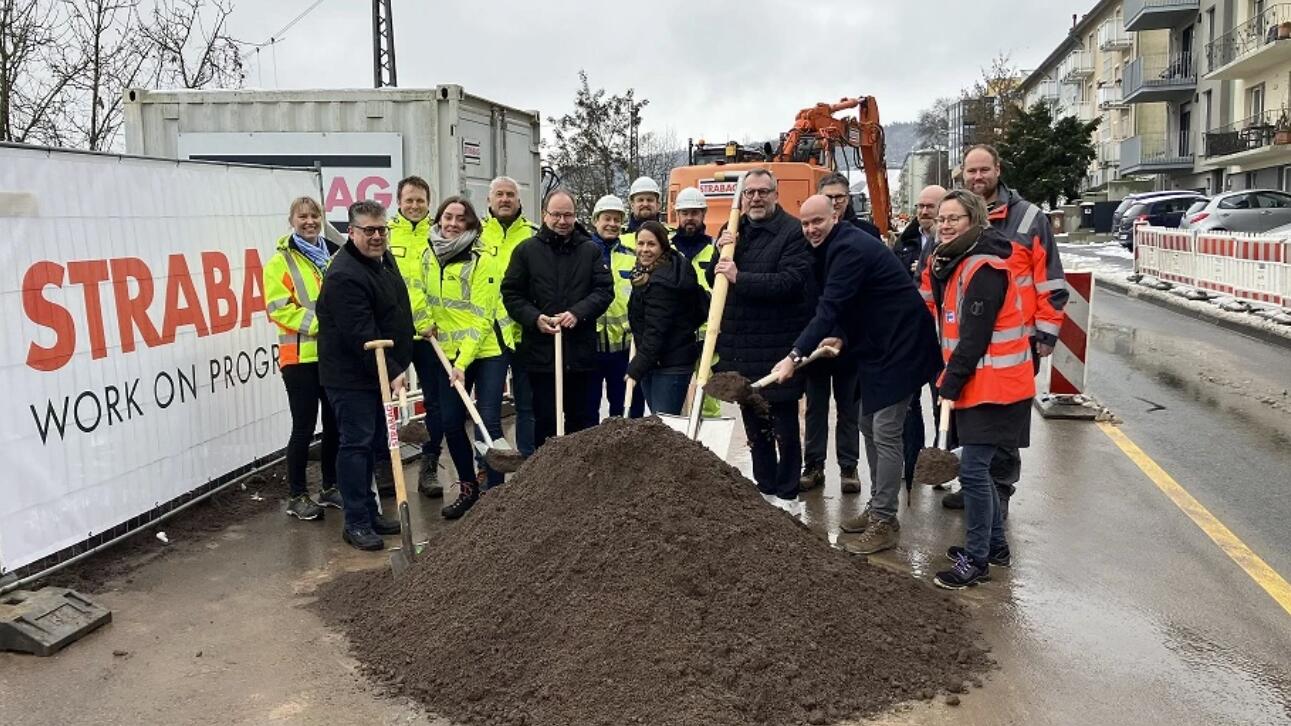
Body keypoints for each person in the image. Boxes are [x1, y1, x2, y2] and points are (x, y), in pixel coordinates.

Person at [773, 195, 941, 555]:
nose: (811, 229)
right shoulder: (833, 246)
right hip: (878, 344)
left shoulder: (848, 248)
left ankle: (885, 520)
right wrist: (842, 336)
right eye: (805, 224)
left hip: (903, 344)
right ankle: (880, 504)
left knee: (886, 429)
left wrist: (795, 354)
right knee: (867, 423)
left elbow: (831, 306)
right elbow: (858, 302)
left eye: (817, 221)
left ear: (834, 216)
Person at [941, 145, 1067, 516]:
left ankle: (999, 494)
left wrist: (1046, 332)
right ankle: (975, 487)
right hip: (969, 343)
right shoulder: (957, 215)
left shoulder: (1028, 218)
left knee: (1002, 428)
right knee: (970, 421)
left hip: (1015, 344)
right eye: (971, 171)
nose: (978, 177)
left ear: (998, 169)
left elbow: (1050, 279)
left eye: (984, 170)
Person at [919, 189, 1034, 588]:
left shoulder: (983, 268)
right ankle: (995, 547)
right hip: (981, 385)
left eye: (954, 219)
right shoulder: (956, 263)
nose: (945, 225)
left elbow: (975, 337)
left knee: (972, 471)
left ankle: (977, 559)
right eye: (941, 219)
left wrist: (949, 383)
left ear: (975, 221)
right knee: (977, 469)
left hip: (997, 389)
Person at [707, 168, 812, 505]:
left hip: (777, 347)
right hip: (741, 348)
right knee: (755, 428)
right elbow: (715, 280)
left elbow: (789, 283)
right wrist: (720, 253)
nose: (755, 198)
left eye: (763, 192)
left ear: (775, 195)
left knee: (783, 427)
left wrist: (740, 276)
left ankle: (788, 494)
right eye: (749, 192)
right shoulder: (733, 229)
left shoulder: (792, 232)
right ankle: (765, 489)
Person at [316, 200, 414, 551]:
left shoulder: (383, 258)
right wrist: (393, 371)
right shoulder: (344, 275)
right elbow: (361, 333)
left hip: (376, 371)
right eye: (368, 230)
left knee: (373, 444)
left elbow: (395, 306)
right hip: (351, 376)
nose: (377, 236)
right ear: (351, 232)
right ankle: (355, 521)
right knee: (356, 444)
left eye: (381, 229)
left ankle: (371, 514)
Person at [501, 188, 613, 449]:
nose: (562, 221)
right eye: (556, 215)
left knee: (580, 424)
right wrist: (535, 318)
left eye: (568, 215)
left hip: (579, 355)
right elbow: (511, 294)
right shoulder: (526, 251)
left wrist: (578, 313)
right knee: (545, 423)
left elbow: (604, 290)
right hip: (542, 356)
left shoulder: (590, 251)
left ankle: (578, 472)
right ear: (544, 215)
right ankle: (546, 472)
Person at [418, 196, 508, 520]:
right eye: (448, 217)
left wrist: (462, 363)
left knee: (487, 421)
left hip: (486, 351)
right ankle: (469, 489)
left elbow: (482, 318)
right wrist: (424, 321)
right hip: (446, 352)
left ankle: (495, 494)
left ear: (471, 224)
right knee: (451, 423)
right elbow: (419, 293)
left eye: (461, 219)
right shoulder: (428, 254)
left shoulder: (483, 259)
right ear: (439, 220)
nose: (453, 224)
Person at [264, 196, 343, 521]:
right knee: (304, 427)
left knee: (334, 424)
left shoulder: (332, 256)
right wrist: (326, 324)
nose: (309, 221)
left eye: (314, 216)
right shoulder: (279, 262)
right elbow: (279, 309)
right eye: (302, 216)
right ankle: (297, 495)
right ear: (292, 221)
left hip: (331, 355)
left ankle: (329, 486)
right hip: (299, 358)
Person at [798, 175, 868, 495]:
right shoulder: (806, 244)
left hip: (848, 342)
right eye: (830, 196)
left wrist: (842, 334)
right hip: (815, 340)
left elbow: (857, 298)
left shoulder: (861, 237)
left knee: (848, 407)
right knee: (815, 408)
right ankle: (813, 465)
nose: (836, 201)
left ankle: (848, 467)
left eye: (839, 197)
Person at [388, 176, 445, 498]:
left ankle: (429, 465)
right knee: (384, 400)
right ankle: (385, 465)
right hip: (393, 333)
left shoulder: (438, 236)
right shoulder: (384, 234)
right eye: (409, 200)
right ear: (398, 202)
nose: (414, 205)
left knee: (434, 401)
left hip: (428, 333)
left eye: (420, 200)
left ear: (428, 203)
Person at [482, 176, 539, 458]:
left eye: (510, 195)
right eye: (499, 194)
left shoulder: (533, 235)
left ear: (519, 200)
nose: (505, 199)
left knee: (527, 405)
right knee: (488, 408)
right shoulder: (476, 235)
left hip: (525, 332)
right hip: (488, 335)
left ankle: (529, 464)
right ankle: (489, 466)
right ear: (489, 200)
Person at [626, 221, 706, 414]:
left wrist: (636, 368)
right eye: (640, 243)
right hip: (655, 360)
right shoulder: (647, 273)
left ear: (663, 246)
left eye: (651, 244)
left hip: (669, 364)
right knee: (659, 422)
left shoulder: (663, 282)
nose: (644, 249)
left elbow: (656, 330)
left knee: (663, 425)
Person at [898, 185, 948, 490]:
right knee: (909, 403)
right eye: (920, 206)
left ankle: (942, 465)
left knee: (942, 402)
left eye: (931, 206)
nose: (924, 212)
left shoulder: (951, 242)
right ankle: (913, 463)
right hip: (915, 335)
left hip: (945, 340)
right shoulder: (906, 241)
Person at [587, 194, 645, 419]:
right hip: (590, 346)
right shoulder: (583, 254)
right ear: (596, 220)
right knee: (587, 409)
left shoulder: (632, 257)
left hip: (625, 348)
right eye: (607, 218)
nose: (612, 224)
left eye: (617, 219)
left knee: (627, 410)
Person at [671, 186, 723, 419]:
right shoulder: (666, 249)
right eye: (685, 213)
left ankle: (709, 438)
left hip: (707, 338)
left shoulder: (716, 249)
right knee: (673, 403)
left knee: (709, 399)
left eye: (695, 212)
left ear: (704, 214)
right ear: (677, 215)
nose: (689, 218)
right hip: (676, 338)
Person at [818, 171, 883, 238]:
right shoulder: (813, 232)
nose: (834, 202)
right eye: (828, 197)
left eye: (839, 197)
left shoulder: (869, 232)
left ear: (847, 198)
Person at [620, 176, 670, 248]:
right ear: (632, 205)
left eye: (650, 200)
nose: (645, 204)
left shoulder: (671, 235)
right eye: (640, 200)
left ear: (658, 204)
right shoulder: (619, 235)